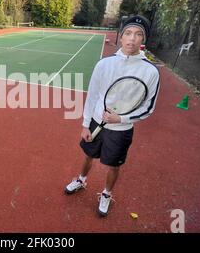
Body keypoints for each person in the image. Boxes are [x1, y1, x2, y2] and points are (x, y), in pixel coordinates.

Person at [64, 15, 160, 217]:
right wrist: (85, 124)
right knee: (88, 154)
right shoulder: (104, 64)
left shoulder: (151, 72)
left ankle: (106, 194)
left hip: (121, 130)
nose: (132, 38)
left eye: (138, 34)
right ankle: (81, 180)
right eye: (128, 33)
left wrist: (121, 119)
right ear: (121, 36)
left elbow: (148, 108)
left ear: (143, 39)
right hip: (96, 122)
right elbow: (92, 96)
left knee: (113, 165)